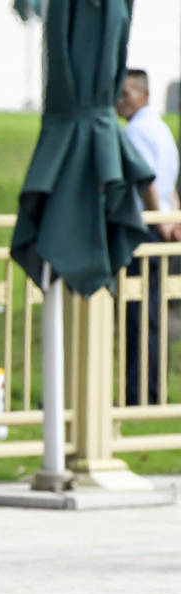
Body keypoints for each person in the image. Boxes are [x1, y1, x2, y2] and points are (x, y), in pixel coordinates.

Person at [116, 68, 178, 406]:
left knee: (138, 317)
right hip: (163, 226)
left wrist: (159, 219)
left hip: (145, 229)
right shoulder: (161, 128)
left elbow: (148, 182)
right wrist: (172, 220)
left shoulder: (135, 131)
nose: (120, 101)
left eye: (126, 94)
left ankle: (139, 394)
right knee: (152, 315)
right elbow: (170, 184)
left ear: (145, 95)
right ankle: (151, 391)